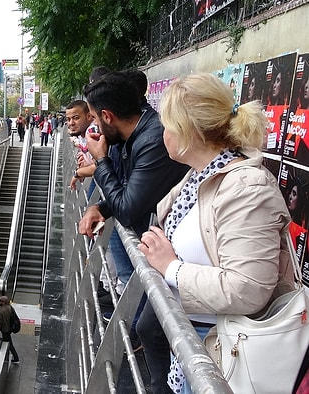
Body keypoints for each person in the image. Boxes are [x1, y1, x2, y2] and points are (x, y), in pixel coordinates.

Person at [138, 73, 296, 393]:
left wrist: (171, 267)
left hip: (224, 357)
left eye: (167, 124)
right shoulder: (203, 175)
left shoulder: (246, 187)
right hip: (200, 345)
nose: (162, 133)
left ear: (187, 132)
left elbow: (248, 288)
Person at [78, 71, 188, 393]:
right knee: (148, 327)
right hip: (160, 252)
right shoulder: (135, 137)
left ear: (107, 116)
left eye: (96, 118)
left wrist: (100, 161)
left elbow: (128, 206)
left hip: (173, 261)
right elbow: (127, 193)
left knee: (152, 329)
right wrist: (99, 206)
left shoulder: (152, 138)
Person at [66, 100, 95, 190]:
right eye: (68, 119)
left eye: (76, 118)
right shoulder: (83, 135)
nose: (71, 123)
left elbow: (100, 166)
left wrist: (78, 173)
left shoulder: (92, 132)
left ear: (89, 116)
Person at [0, 295, 20, 363]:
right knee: (7, 340)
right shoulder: (10, 307)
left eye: (1, 301)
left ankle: (16, 358)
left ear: (4, 302)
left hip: (5, 329)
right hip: (10, 328)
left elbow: (0, 322)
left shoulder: (1, 311)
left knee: (9, 343)